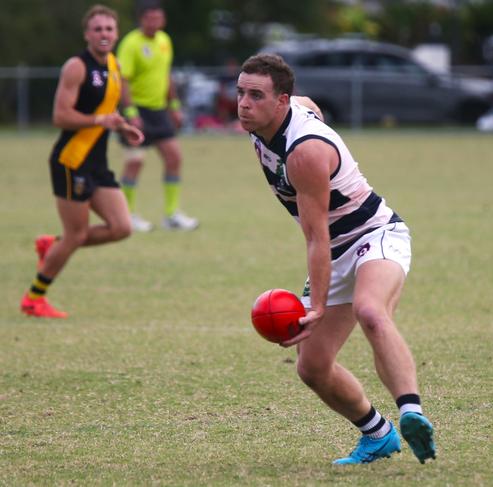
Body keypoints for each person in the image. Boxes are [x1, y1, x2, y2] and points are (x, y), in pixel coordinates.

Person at [237, 54, 436, 465]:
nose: (243, 103)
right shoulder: (269, 122)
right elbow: (308, 103)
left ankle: (412, 410)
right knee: (312, 367)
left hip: (374, 235)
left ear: (280, 101)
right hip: (335, 249)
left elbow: (316, 236)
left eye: (256, 95)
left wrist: (320, 305)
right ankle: (378, 435)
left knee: (371, 310)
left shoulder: (303, 152)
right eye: (240, 92)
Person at [20, 4, 144, 318]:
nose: (104, 34)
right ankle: (34, 298)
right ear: (87, 34)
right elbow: (60, 116)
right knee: (76, 234)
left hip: (97, 164)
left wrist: (123, 127)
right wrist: (99, 120)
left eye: (109, 29)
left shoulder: (114, 64)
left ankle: (53, 245)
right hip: (70, 161)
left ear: (116, 34)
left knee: (122, 227)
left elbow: (106, 114)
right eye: (98, 29)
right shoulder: (76, 66)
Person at [117, 0, 198, 231]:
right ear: (141, 19)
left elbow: (166, 74)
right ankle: (126, 216)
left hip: (159, 110)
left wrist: (174, 105)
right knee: (135, 162)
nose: (154, 22)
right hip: (136, 110)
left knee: (174, 158)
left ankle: (171, 215)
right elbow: (123, 80)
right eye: (149, 18)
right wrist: (130, 113)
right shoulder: (131, 44)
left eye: (158, 18)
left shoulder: (164, 40)